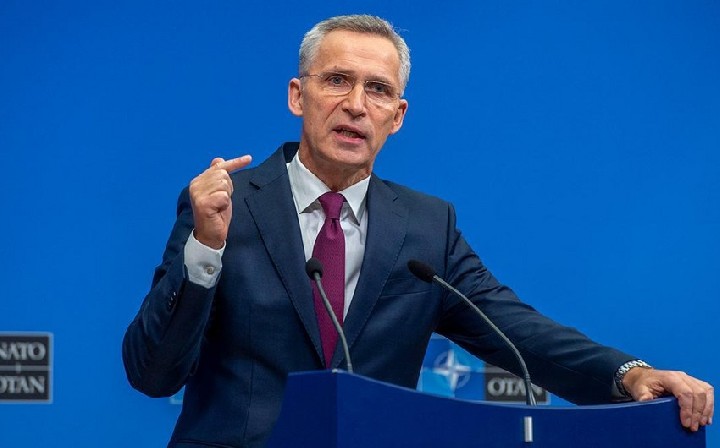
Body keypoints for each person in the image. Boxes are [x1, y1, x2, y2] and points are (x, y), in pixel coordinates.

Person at [122, 14, 713, 448]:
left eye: (378, 89)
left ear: (397, 116)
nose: (356, 105)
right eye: (337, 80)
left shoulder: (427, 227)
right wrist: (206, 248)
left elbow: (517, 330)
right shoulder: (225, 207)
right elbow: (153, 373)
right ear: (298, 96)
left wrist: (630, 373)